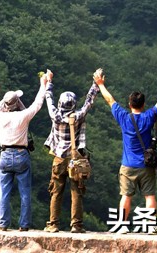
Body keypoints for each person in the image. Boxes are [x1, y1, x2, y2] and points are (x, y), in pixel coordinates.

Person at [95, 68, 157, 232]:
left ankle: (122, 225)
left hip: (128, 165)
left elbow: (109, 100)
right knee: (149, 196)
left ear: (130, 104)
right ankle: (151, 226)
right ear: (143, 105)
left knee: (126, 196)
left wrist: (100, 84)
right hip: (146, 165)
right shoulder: (149, 117)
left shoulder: (123, 117)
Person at [0, 72, 49, 231]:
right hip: (21, 155)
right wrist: (43, 84)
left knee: (4, 192)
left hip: (5, 154)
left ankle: (3, 224)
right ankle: (24, 225)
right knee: (25, 192)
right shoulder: (23, 116)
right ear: (17, 103)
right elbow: (38, 103)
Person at [42, 71, 99, 233]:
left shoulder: (55, 115)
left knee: (56, 191)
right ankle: (76, 225)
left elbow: (48, 98)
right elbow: (89, 101)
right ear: (73, 104)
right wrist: (96, 84)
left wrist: (49, 82)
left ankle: (53, 224)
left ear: (60, 103)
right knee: (76, 191)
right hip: (76, 159)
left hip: (59, 158)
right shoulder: (78, 116)